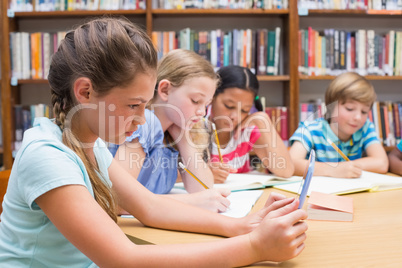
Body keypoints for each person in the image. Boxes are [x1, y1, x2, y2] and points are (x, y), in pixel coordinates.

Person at [0, 18, 308, 266]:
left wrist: (241, 225)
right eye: (133, 105)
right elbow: (123, 258)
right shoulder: (48, 157)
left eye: (145, 105)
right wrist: (254, 247)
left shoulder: (88, 144)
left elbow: (149, 206)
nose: (141, 118)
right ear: (85, 92)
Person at [110, 49, 231, 213]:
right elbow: (115, 200)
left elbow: (204, 190)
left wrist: (183, 137)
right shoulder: (145, 123)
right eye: (195, 101)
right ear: (165, 90)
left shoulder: (173, 133)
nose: (202, 112)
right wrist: (189, 202)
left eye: (207, 104)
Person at [289, 72, 389, 178]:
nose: (358, 117)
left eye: (364, 111)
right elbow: (290, 163)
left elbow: (382, 163)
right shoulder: (310, 130)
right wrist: (333, 169)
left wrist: (348, 167)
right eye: (349, 108)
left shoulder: (365, 128)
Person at [207, 65, 294, 183]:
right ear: (212, 96)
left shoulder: (247, 129)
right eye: (229, 106)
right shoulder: (197, 125)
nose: (235, 117)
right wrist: (206, 172)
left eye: (244, 110)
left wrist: (262, 119)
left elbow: (286, 171)